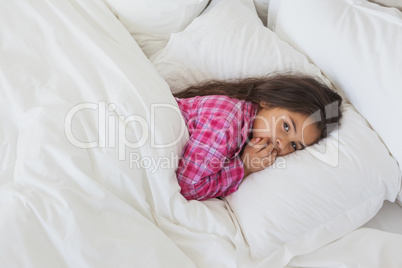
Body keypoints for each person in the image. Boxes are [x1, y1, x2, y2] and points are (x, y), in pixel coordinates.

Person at [173, 73, 343, 201]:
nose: (281, 143)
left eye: (294, 145)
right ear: (268, 101)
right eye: (286, 126)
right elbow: (187, 187)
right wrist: (245, 167)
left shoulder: (245, 124)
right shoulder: (227, 123)